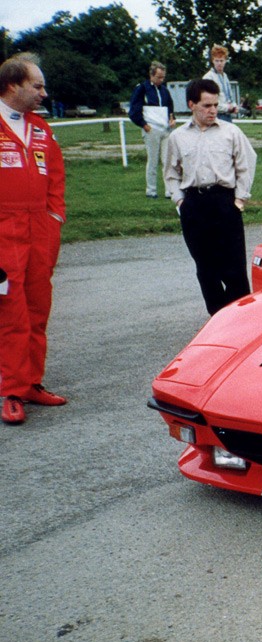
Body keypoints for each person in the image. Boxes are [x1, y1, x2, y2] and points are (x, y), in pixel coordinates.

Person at [0, 53, 67, 425]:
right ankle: (11, 390)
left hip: (39, 230)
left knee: (38, 308)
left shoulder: (41, 128)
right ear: (13, 85)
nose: (44, 92)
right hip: (3, 233)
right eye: (37, 86)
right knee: (11, 314)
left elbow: (56, 178)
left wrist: (54, 218)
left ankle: (31, 383)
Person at [165, 78, 257, 315]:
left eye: (215, 105)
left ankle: (241, 320)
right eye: (206, 105)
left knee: (234, 270)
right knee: (206, 270)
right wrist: (180, 201)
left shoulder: (231, 132)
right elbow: (171, 173)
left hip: (225, 203)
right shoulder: (178, 137)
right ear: (191, 104)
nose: (213, 110)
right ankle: (218, 321)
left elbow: (246, 165)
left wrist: (239, 200)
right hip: (194, 206)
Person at [128, 61, 176, 199]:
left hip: (166, 130)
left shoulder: (164, 90)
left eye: (163, 77)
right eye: (159, 77)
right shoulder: (142, 89)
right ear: (152, 75)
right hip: (151, 129)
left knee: (167, 161)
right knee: (153, 160)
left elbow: (170, 107)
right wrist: (144, 125)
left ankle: (169, 190)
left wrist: (172, 119)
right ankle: (151, 190)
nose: (161, 80)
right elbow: (134, 110)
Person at [203, 45, 239, 121]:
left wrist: (234, 106)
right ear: (213, 60)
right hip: (216, 115)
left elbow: (229, 96)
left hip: (227, 115)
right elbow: (209, 101)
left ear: (225, 60)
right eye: (217, 60)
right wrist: (227, 107)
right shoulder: (208, 77)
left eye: (221, 60)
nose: (219, 63)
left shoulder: (225, 76)